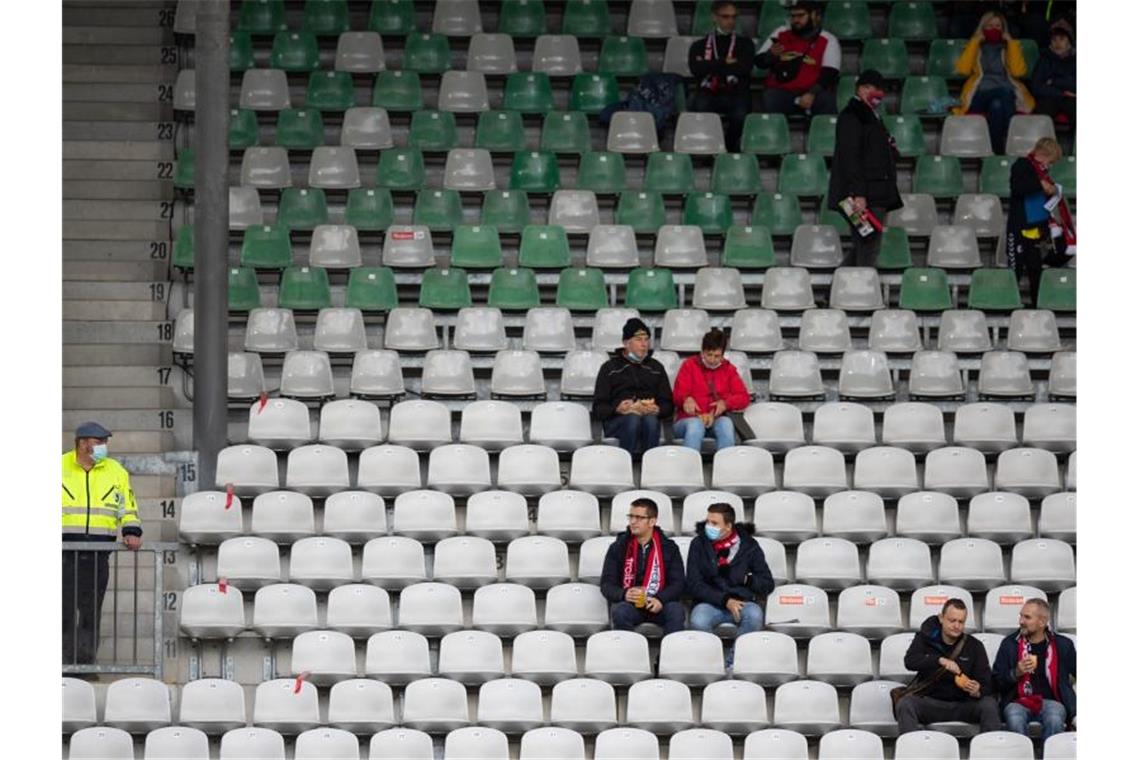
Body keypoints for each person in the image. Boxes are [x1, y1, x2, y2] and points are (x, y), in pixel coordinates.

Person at [63, 421, 143, 665]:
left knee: (90, 614)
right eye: (99, 443)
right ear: (82, 444)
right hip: (62, 554)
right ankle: (62, 666)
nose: (103, 447)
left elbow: (127, 506)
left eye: (105, 443)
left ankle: (84, 666)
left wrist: (131, 530)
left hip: (98, 554)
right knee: (61, 612)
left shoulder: (115, 471)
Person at [827, 69, 902, 267]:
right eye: (868, 87)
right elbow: (850, 156)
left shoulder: (871, 115)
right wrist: (858, 194)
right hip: (861, 195)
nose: (873, 92)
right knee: (869, 245)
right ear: (859, 89)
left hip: (874, 191)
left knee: (865, 241)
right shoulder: (853, 115)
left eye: (877, 89)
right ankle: (861, 292)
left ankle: (838, 289)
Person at [685, 503, 775, 668]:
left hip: (743, 603)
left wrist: (747, 579)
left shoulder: (750, 546)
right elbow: (693, 584)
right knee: (698, 620)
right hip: (709, 602)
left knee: (755, 616)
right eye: (707, 521)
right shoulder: (698, 544)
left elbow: (767, 584)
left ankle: (732, 665)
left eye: (714, 523)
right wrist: (725, 600)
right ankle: (714, 665)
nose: (708, 526)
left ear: (728, 526)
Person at [896, 598, 1002, 734]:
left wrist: (978, 689)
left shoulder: (974, 646)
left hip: (964, 704)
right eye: (952, 621)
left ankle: (990, 751)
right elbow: (910, 661)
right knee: (906, 704)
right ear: (941, 618)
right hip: (931, 702)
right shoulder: (924, 639)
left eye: (961, 622)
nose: (957, 626)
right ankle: (910, 751)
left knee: (989, 705)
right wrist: (939, 660)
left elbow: (987, 683)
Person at [992, 599, 1077, 742]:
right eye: (1021, 616)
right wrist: (1016, 673)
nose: (1021, 621)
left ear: (1042, 622)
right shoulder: (1009, 644)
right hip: (1017, 701)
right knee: (1014, 718)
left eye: (1027, 617)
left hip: (1051, 701)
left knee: (1055, 719)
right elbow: (995, 682)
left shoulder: (1063, 645)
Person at [599, 498, 686, 635]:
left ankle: (667, 656)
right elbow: (606, 585)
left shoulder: (669, 548)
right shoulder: (618, 547)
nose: (633, 522)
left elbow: (678, 583)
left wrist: (661, 599)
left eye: (639, 518)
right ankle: (630, 655)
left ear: (652, 521)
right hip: (631, 605)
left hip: (659, 603)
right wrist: (624, 594)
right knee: (621, 612)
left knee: (676, 611)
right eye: (631, 517)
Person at [592, 318, 675, 459]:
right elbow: (599, 407)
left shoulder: (656, 368)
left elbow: (668, 404)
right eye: (638, 339)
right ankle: (625, 467)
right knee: (632, 418)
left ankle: (650, 468)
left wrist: (658, 409)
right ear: (626, 343)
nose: (644, 344)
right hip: (617, 421)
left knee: (651, 420)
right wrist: (617, 408)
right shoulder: (610, 368)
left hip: (648, 418)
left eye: (646, 339)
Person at [954, 11, 1034, 154]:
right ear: (983, 28)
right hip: (980, 95)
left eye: (998, 26)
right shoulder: (976, 47)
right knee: (1003, 91)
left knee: (996, 106)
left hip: (1005, 97)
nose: (994, 29)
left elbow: (1018, 72)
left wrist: (1011, 42)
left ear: (1003, 29)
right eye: (989, 26)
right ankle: (1012, 134)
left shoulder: (1009, 47)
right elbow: (963, 70)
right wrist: (974, 42)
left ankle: (996, 150)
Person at [1007, 137, 1072, 303]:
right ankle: (1010, 304)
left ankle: (1038, 306)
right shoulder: (1022, 165)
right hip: (1019, 229)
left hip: (1037, 231)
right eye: (1050, 161)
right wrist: (1040, 184)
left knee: (1036, 271)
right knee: (1015, 270)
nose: (1050, 166)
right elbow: (1018, 188)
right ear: (1042, 155)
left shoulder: (1043, 173)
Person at [687, 1, 756, 152]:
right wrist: (724, 62)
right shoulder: (699, 45)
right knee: (701, 109)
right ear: (714, 17)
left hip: (736, 92)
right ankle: (708, 149)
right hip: (708, 92)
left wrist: (710, 65)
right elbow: (696, 70)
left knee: (741, 115)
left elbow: (744, 69)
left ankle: (728, 149)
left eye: (733, 17)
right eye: (725, 17)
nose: (730, 21)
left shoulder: (745, 44)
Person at [754, 1, 840, 118]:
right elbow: (759, 62)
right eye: (793, 16)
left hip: (813, 94)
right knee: (769, 98)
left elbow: (830, 73)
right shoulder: (780, 32)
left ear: (815, 16)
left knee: (827, 101)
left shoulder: (828, 39)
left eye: (800, 15)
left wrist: (811, 94)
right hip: (782, 92)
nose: (795, 20)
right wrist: (770, 54)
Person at [672, 328, 750, 452]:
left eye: (717, 356)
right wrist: (686, 399)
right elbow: (676, 395)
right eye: (709, 355)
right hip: (687, 421)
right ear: (702, 351)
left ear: (723, 354)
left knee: (726, 423)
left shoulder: (729, 370)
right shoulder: (689, 365)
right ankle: (689, 468)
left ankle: (724, 468)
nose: (712, 360)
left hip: (716, 420)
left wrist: (725, 404)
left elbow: (744, 397)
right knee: (696, 425)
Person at [1030, 20, 1076, 127]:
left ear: (1069, 41)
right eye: (1054, 39)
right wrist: (1061, 93)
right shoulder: (1044, 59)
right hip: (1050, 97)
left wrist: (1054, 81)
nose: (1057, 43)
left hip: (1072, 98)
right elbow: (1036, 86)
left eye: (1062, 39)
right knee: (1041, 115)